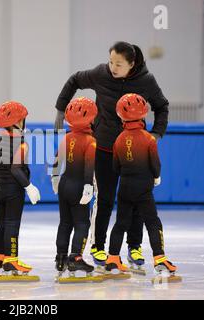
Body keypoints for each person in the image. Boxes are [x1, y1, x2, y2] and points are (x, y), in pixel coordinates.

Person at [53, 41, 169, 268]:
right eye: (110, 61)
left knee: (135, 201)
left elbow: (162, 105)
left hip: (132, 152)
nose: (113, 67)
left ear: (132, 64)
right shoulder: (100, 74)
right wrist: (60, 108)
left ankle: (134, 248)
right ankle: (98, 246)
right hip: (104, 147)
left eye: (119, 64)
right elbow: (75, 79)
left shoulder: (146, 81)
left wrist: (156, 134)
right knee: (104, 199)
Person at [105, 93, 177, 277]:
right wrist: (156, 176)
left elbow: (115, 167)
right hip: (144, 189)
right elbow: (155, 164)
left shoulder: (119, 140)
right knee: (153, 222)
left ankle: (112, 258)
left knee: (121, 223)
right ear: (143, 115)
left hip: (125, 188)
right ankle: (159, 258)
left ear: (121, 116)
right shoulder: (148, 139)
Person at [0, 101, 41, 275]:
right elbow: (15, 168)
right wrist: (29, 186)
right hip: (14, 190)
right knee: (12, 223)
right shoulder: (22, 144)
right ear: (16, 123)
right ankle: (11, 260)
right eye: (22, 120)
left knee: (0, 223)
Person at [51, 97, 97, 277]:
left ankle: (60, 258)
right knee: (82, 223)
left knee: (65, 223)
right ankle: (76, 258)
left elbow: (56, 162)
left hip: (64, 185)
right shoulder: (90, 141)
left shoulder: (66, 138)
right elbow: (89, 167)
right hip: (79, 187)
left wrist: (55, 179)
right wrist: (88, 187)